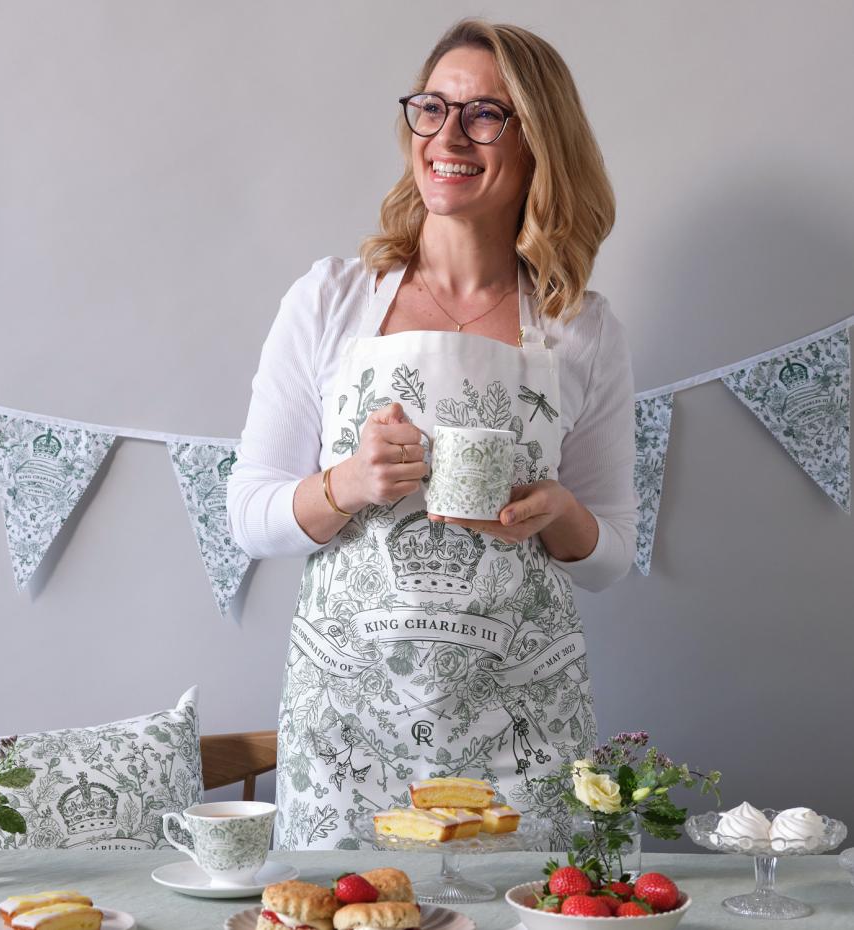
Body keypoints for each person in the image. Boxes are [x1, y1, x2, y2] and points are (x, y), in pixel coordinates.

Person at [227, 18, 637, 851]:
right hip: (349, 726)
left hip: (521, 726)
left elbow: (614, 553)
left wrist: (556, 512)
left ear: (538, 144)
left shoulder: (580, 329)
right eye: (432, 108)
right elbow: (247, 513)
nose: (448, 135)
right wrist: (345, 485)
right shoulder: (332, 300)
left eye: (485, 113)